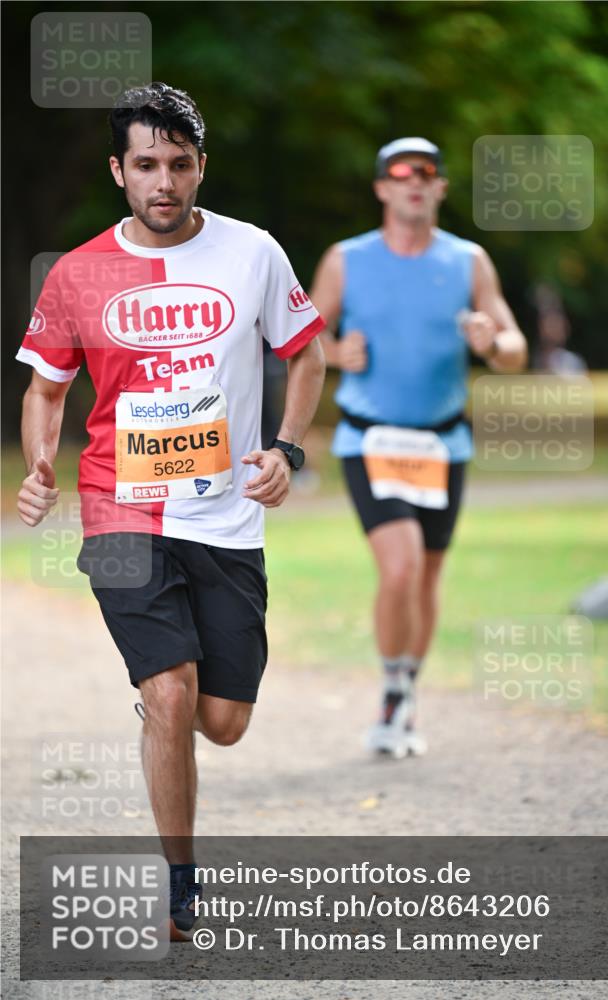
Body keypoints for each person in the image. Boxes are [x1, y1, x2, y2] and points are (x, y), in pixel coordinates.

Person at [16, 82, 326, 939]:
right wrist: (41, 463)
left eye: (179, 164)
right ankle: (181, 883)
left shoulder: (252, 253)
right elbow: (47, 388)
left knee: (222, 723)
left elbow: (305, 355)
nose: (164, 182)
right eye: (146, 165)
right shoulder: (79, 273)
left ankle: (173, 713)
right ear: (119, 171)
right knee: (170, 691)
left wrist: (286, 449)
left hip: (225, 517)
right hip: (119, 505)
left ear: (200, 168)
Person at [310, 137, 527, 759]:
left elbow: (515, 349)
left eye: (425, 174)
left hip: (442, 444)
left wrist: (491, 342)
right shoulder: (346, 259)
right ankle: (389, 690)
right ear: (382, 188)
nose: (413, 183)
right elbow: (300, 337)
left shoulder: (468, 261)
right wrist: (334, 352)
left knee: (427, 574)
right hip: (371, 438)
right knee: (400, 566)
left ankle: (406, 689)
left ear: (440, 188)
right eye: (400, 175)